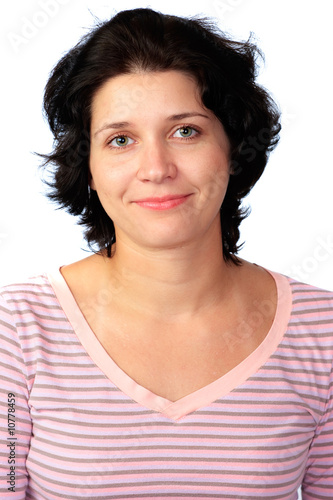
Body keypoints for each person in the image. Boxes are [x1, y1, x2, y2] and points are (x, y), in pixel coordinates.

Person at [0, 7, 332, 499]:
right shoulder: (17, 329)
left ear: (233, 146)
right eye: (120, 139)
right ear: (87, 166)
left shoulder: (322, 331)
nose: (156, 168)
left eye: (185, 131)